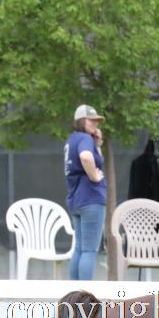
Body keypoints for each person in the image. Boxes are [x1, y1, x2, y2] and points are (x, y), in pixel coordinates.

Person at [64, 104, 107, 280]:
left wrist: (98, 144)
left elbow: (91, 157)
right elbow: (86, 157)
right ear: (81, 121)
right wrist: (94, 176)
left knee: (79, 249)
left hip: (76, 200)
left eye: (97, 121)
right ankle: (85, 293)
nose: (95, 124)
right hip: (91, 198)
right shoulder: (85, 139)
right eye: (91, 120)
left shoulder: (72, 139)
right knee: (89, 250)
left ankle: (74, 292)